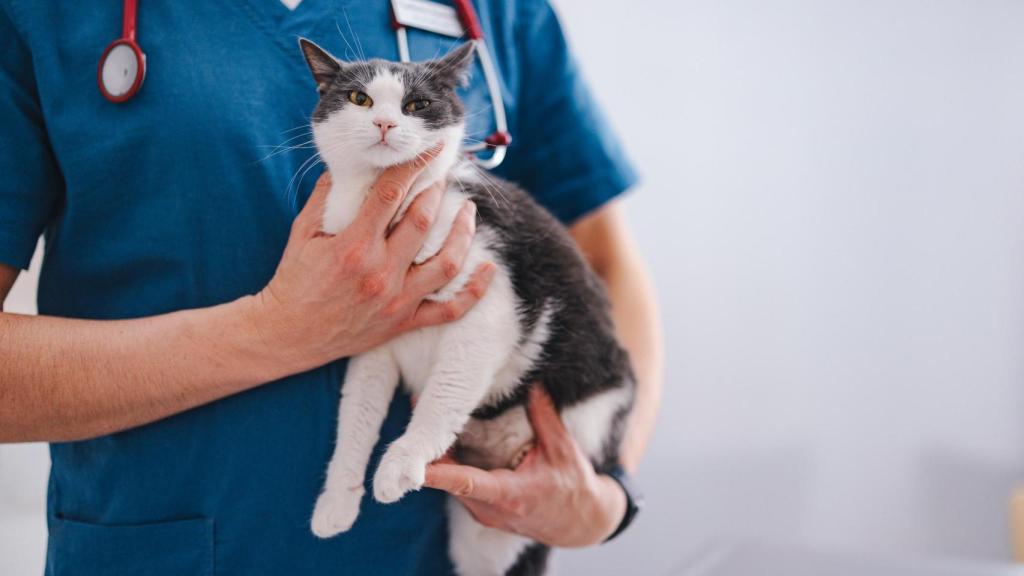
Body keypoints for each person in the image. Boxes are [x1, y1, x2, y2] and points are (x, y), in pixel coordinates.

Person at [0, 1, 663, 574]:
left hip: (439, 557)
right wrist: (276, 331)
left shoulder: (500, 12)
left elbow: (602, 264)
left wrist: (604, 492)